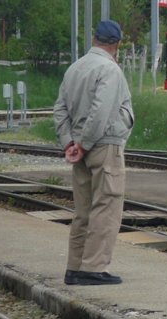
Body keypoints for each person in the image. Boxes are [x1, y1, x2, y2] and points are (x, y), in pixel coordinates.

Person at [54, 19, 134, 286]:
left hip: (80, 148)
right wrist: (85, 144)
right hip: (103, 146)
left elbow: (59, 110)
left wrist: (70, 143)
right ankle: (93, 268)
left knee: (83, 210)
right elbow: (101, 111)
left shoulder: (75, 69)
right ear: (116, 44)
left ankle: (74, 267)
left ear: (94, 39)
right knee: (106, 207)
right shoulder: (109, 70)